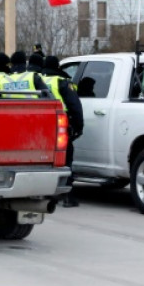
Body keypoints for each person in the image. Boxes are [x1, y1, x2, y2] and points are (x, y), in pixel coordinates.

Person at [43, 56, 84, 207]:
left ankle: (44, 193)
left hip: (40, 124)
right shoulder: (61, 81)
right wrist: (79, 127)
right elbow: (75, 106)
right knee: (65, 159)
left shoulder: (38, 80)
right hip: (59, 124)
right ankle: (66, 196)